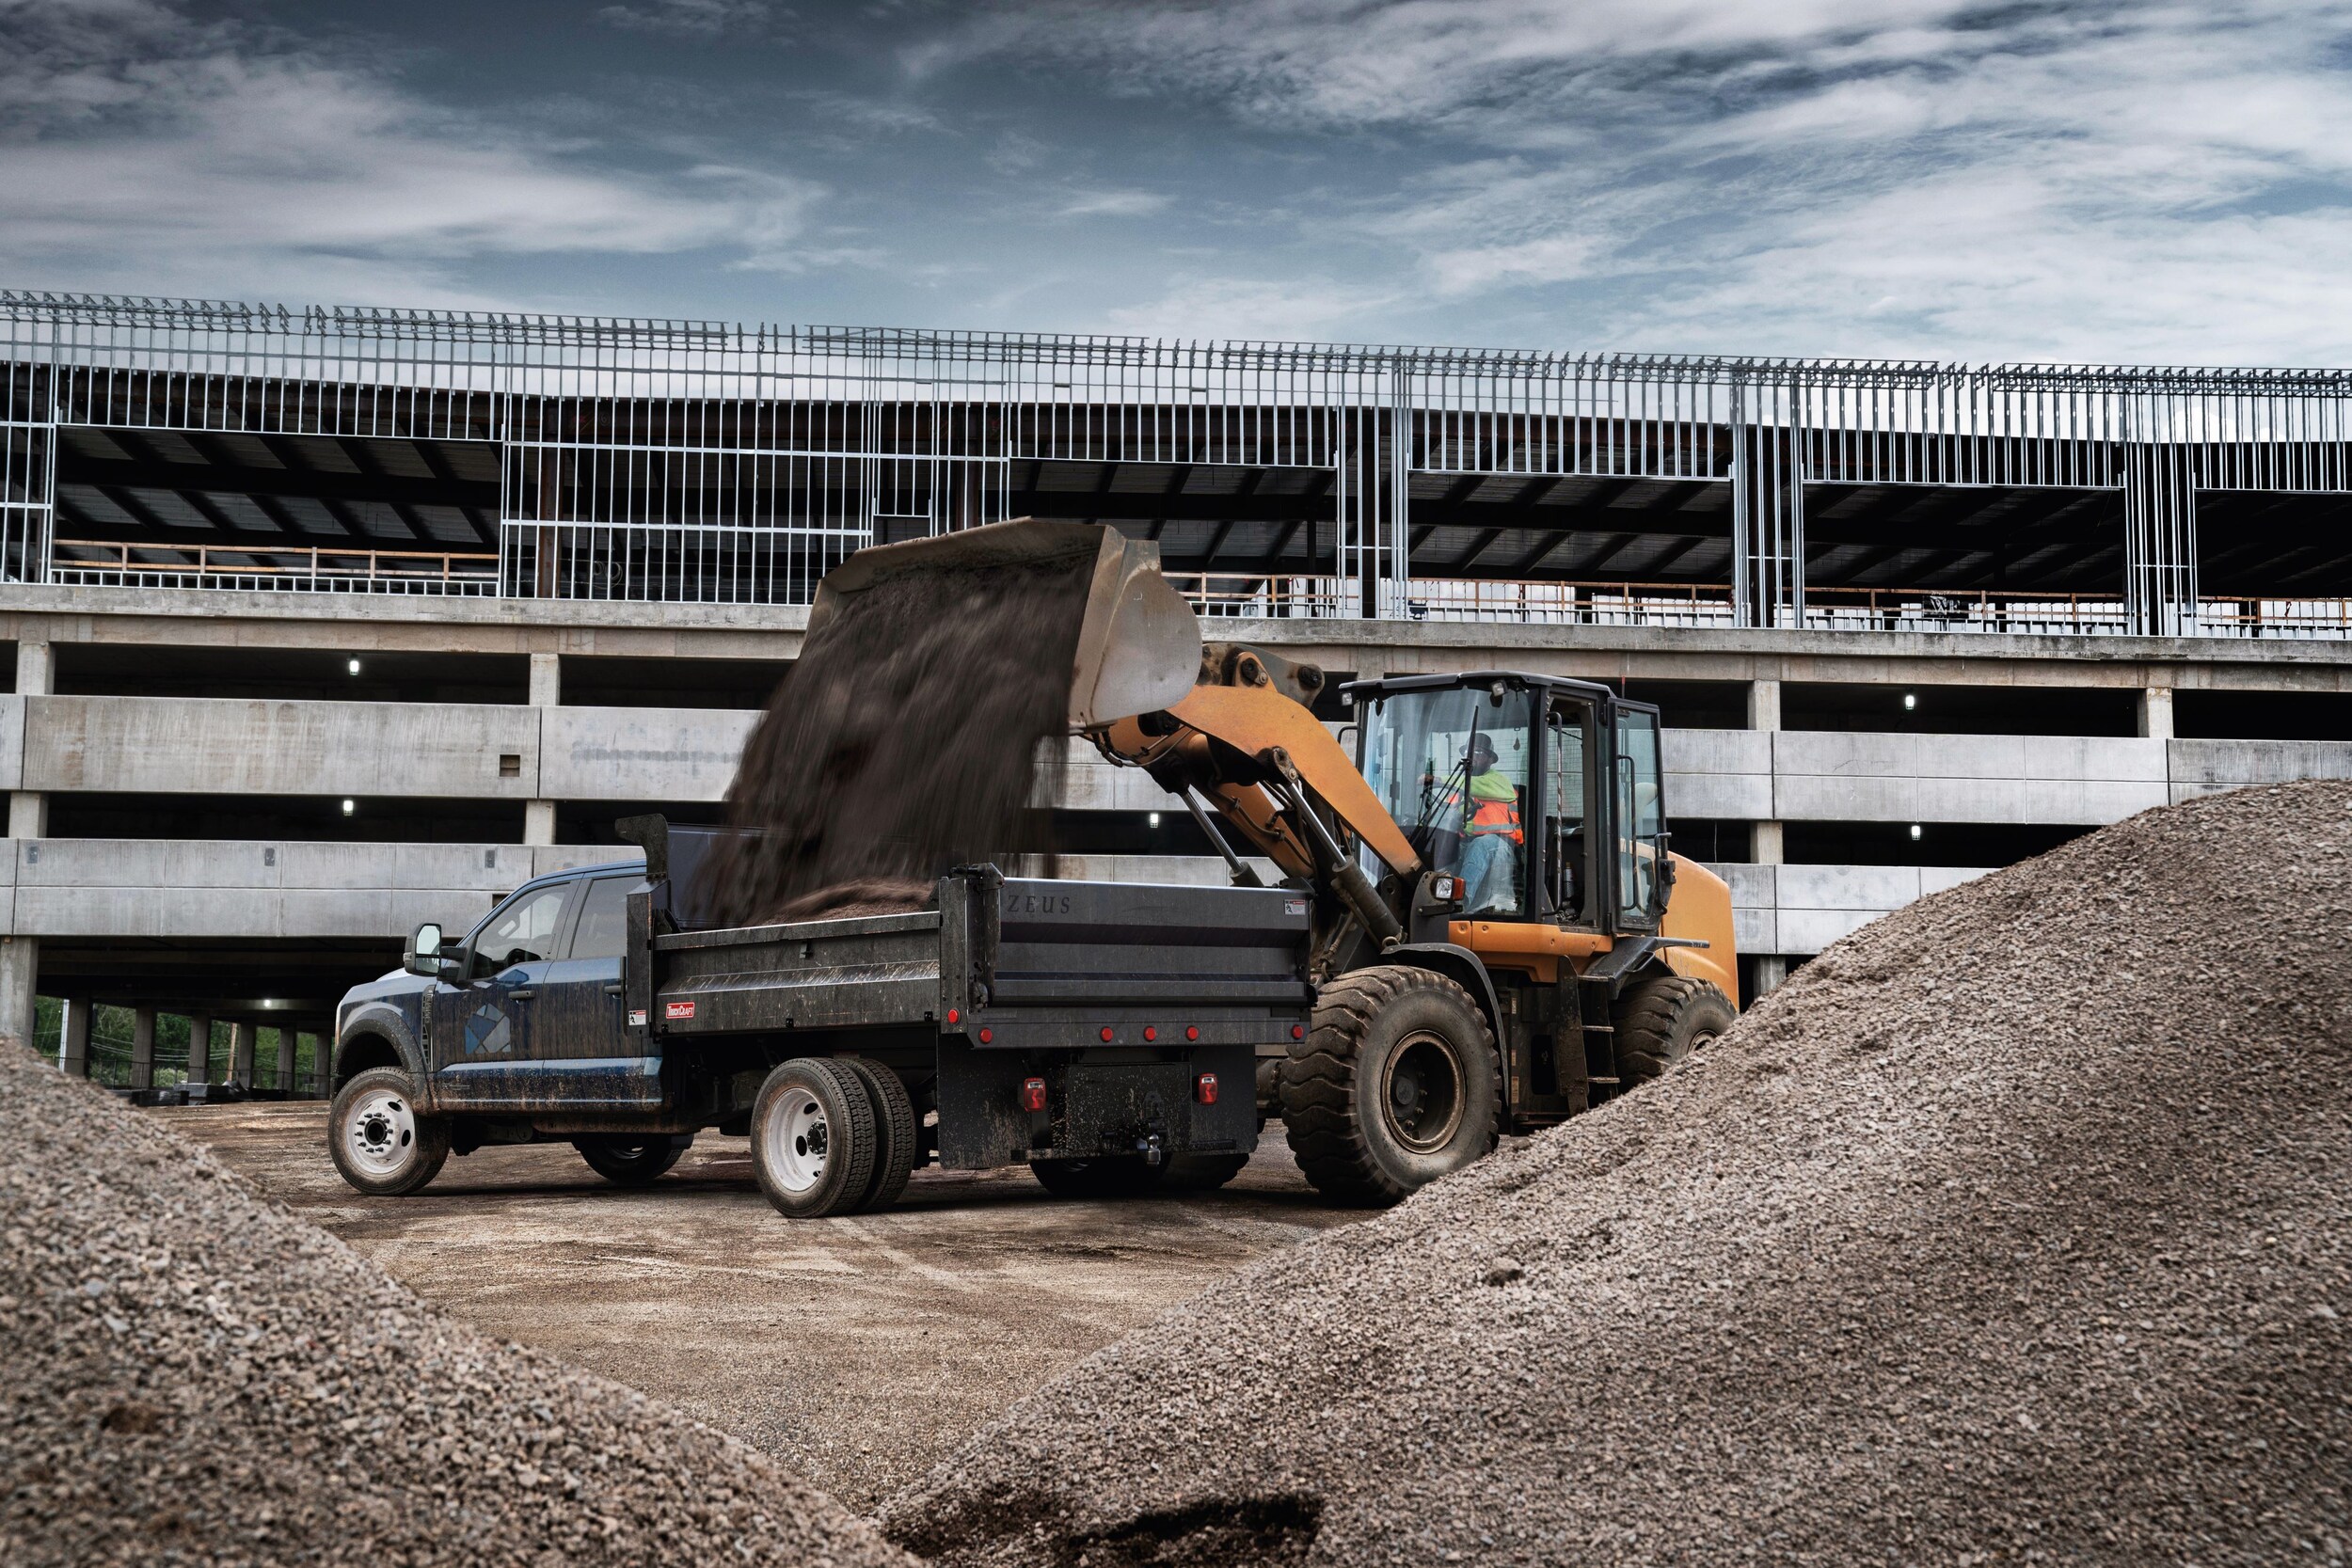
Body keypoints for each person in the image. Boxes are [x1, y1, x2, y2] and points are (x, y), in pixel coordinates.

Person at [1452, 736, 1522, 914]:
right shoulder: (1461, 789)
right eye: (1469, 752)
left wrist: (1437, 780)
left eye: (1478, 753)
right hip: (1469, 844)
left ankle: (1458, 903)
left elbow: (1472, 785)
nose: (1472, 757)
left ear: (1490, 760)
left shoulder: (1499, 782)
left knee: (1481, 845)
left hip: (1503, 847)